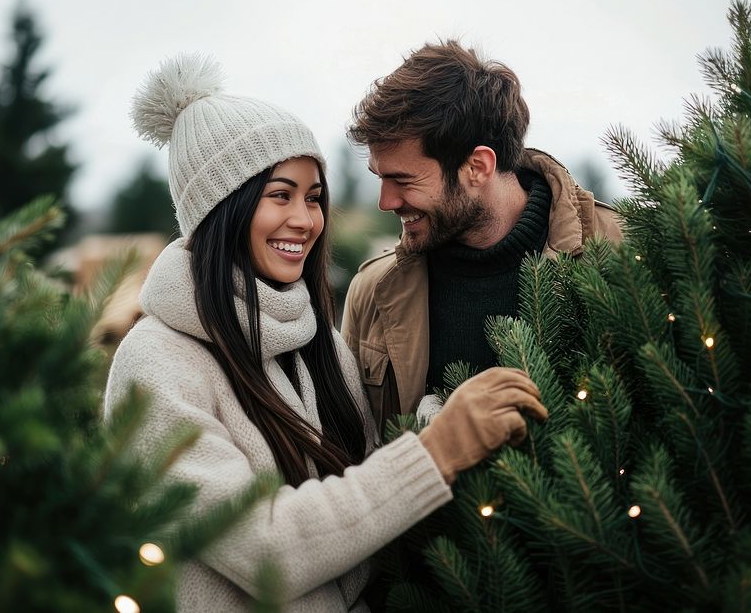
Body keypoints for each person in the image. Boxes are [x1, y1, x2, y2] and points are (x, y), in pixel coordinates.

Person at [103, 54, 549, 612]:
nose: (306, 220)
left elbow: (363, 490)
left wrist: (439, 416)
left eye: (314, 197)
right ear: (223, 209)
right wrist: (436, 451)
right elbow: (267, 552)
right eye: (280, 195)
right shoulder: (155, 367)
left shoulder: (315, 341)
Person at [343, 40, 623, 435]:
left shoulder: (621, 254)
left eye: (402, 180)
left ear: (477, 167)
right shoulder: (372, 292)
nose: (385, 202)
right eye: (380, 177)